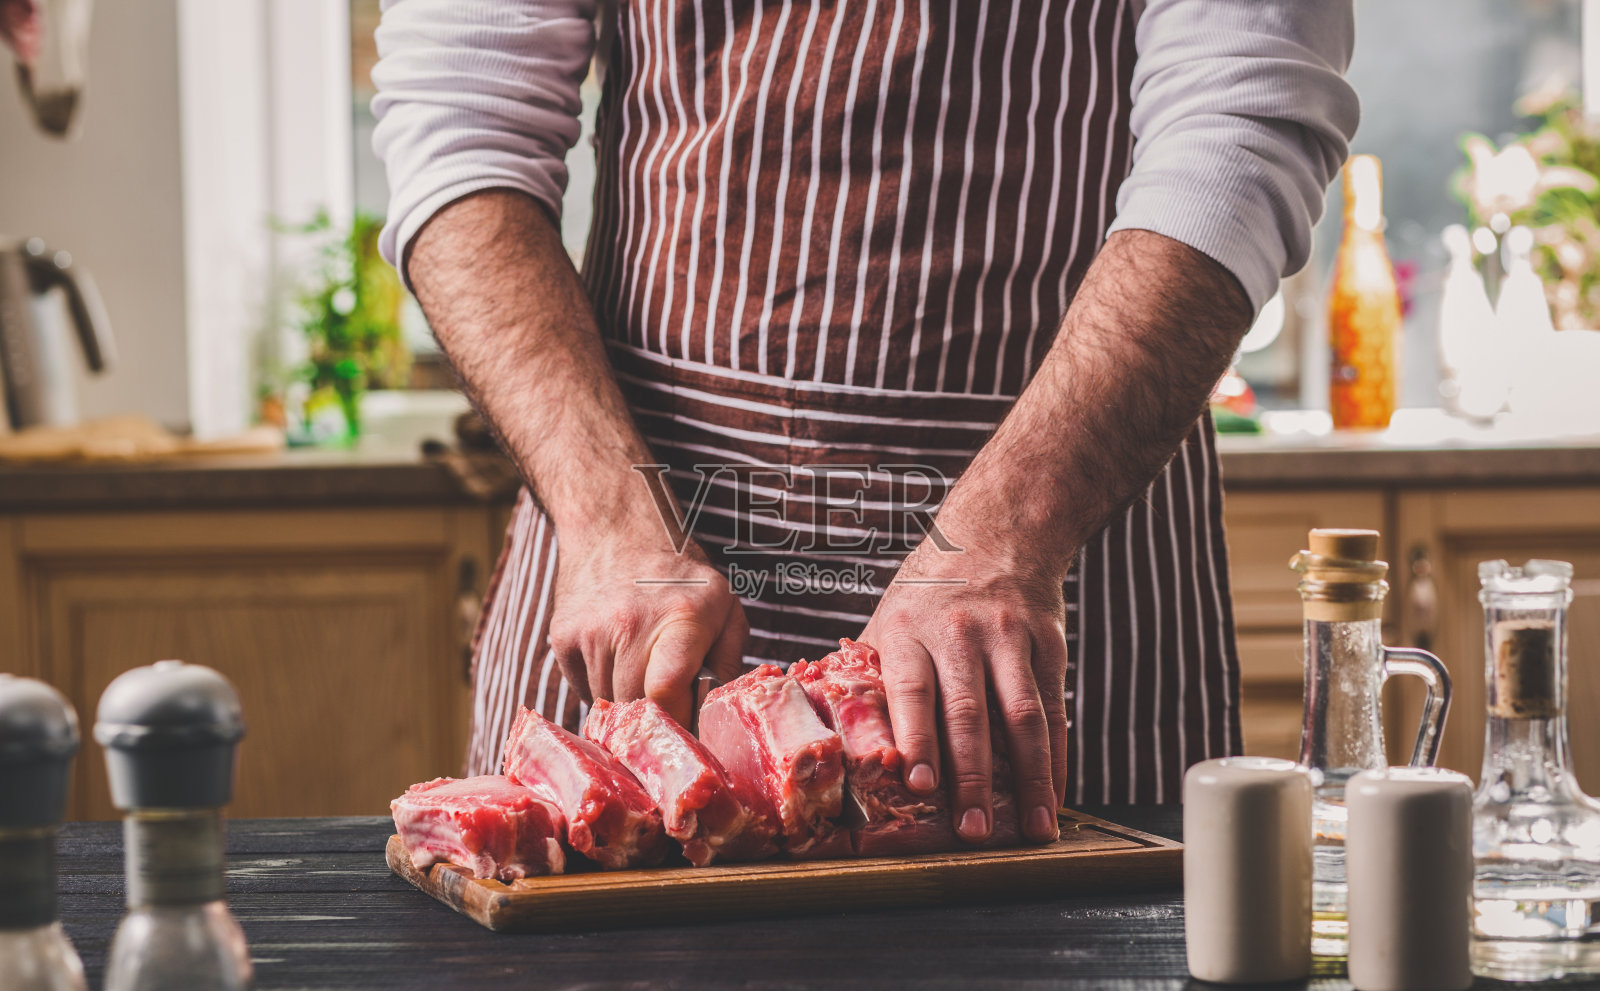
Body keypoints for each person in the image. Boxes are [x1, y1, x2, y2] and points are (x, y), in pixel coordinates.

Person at [372, 0, 1359, 841]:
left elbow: (1241, 119)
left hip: (1060, 563)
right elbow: (463, 112)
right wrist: (604, 512)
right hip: (634, 554)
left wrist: (1008, 535)